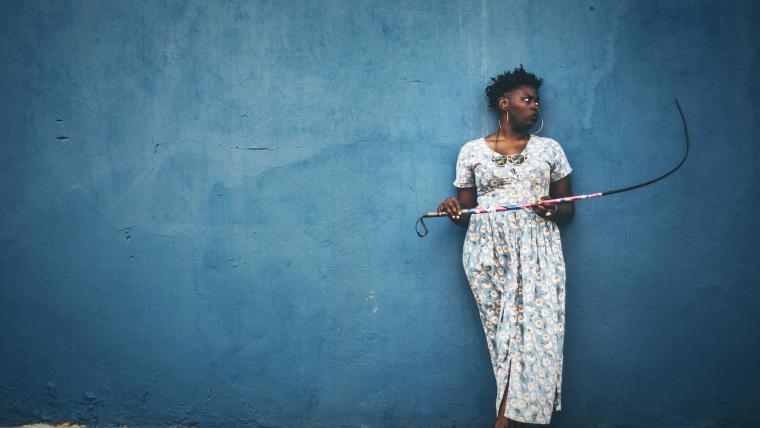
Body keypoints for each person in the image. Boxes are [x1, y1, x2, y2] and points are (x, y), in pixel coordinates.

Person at [437, 65, 574, 427]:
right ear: (504, 103)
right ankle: (514, 418)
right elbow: (467, 211)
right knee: (503, 337)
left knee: (535, 336)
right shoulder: (470, 152)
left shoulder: (550, 150)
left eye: (537, 101)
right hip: (485, 251)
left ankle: (504, 422)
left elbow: (569, 210)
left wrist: (553, 209)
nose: (535, 106)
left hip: (539, 249)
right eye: (527, 99)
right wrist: (452, 210)